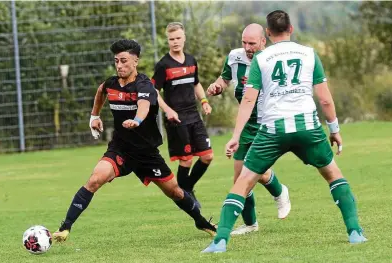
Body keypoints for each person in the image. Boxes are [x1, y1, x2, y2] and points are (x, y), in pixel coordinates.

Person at [203, 10, 367, 253]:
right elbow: (324, 99)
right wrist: (334, 129)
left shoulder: (262, 59)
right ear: (291, 29)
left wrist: (235, 136)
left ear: (267, 34)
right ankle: (355, 232)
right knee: (333, 174)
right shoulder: (309, 54)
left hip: (272, 129)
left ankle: (219, 241)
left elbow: (249, 100)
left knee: (243, 182)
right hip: (307, 127)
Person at [52, 39, 216, 242]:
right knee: (95, 179)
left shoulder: (144, 84)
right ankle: (65, 228)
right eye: (116, 61)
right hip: (120, 149)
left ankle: (200, 221)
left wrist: (137, 120)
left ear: (136, 61)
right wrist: (94, 116)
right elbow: (101, 91)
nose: (119, 65)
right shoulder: (111, 83)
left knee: (176, 192)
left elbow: (144, 105)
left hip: (147, 153)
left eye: (124, 61)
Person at [207, 24, 291, 235]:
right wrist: (217, 86)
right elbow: (225, 78)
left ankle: (280, 192)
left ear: (264, 41)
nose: (247, 47)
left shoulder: (273, 60)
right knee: (240, 179)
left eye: (252, 43)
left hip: (267, 122)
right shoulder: (235, 57)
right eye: (244, 42)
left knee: (254, 171)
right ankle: (251, 224)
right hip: (246, 124)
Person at [152, 22, 213, 207]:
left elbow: (196, 84)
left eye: (178, 38)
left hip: (194, 116)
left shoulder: (191, 60)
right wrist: (168, 110)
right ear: (167, 41)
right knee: (186, 161)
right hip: (177, 120)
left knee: (207, 156)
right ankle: (186, 196)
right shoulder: (163, 65)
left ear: (184, 38)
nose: (175, 42)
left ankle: (186, 188)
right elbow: (153, 91)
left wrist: (204, 102)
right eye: (171, 39)